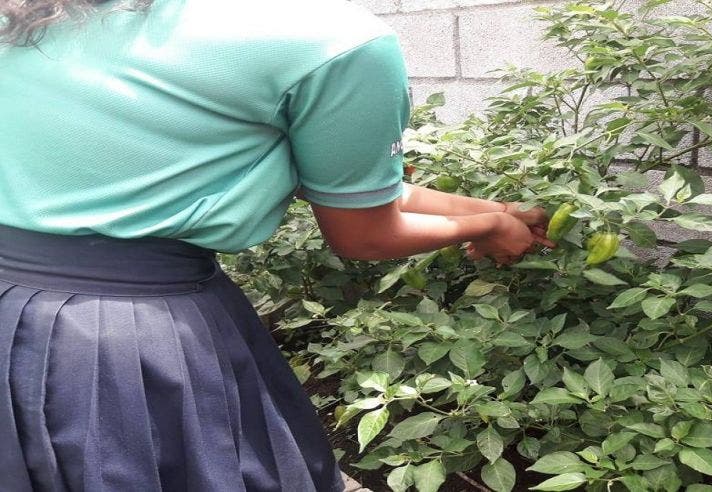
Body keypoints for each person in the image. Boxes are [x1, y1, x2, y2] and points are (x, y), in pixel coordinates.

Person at [0, 0, 551, 490]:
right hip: (127, 336)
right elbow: (364, 232)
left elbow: (360, 191)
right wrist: (487, 228)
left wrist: (497, 214)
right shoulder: (325, 37)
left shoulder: (39, 16)